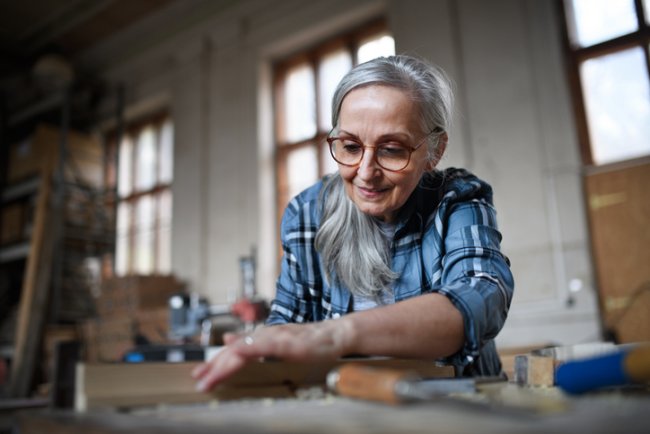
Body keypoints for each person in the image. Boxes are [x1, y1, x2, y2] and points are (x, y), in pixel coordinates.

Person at [193, 55, 514, 392]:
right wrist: (261, 352)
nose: (365, 172)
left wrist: (335, 335)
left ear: (434, 150)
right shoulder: (307, 213)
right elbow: (288, 326)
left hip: (462, 408)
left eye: (392, 150)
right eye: (349, 146)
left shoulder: (457, 198)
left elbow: (479, 299)